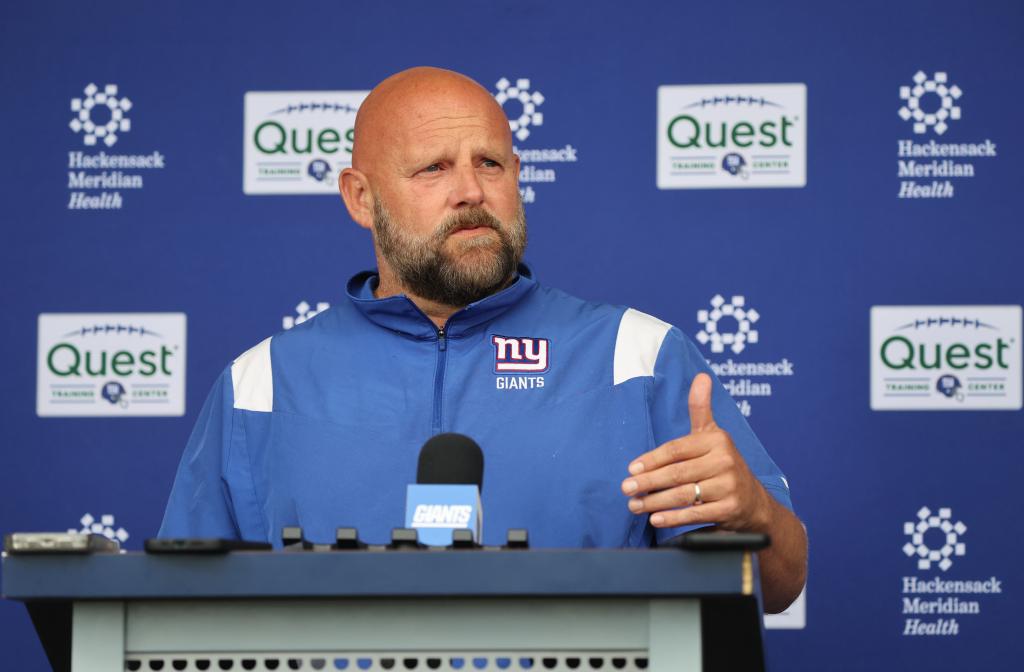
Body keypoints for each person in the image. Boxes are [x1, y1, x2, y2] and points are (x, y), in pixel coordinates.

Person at [159, 66, 807, 612]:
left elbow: (780, 586)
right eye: (433, 168)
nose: (470, 191)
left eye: (490, 163)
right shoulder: (261, 384)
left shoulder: (637, 357)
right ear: (361, 198)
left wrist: (753, 511)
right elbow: (181, 613)